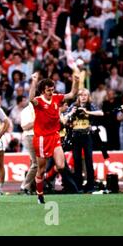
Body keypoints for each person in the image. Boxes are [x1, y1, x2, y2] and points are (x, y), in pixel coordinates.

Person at [29, 72, 79, 204]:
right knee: (41, 169)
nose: (51, 92)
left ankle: (47, 178)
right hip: (41, 139)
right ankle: (40, 193)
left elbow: (72, 94)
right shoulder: (39, 101)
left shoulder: (57, 98)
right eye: (48, 90)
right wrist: (34, 82)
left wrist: (76, 80)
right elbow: (30, 98)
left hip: (54, 135)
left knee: (61, 165)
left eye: (52, 89)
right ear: (42, 90)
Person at [64, 89, 103, 192]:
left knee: (89, 160)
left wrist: (87, 111)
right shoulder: (74, 105)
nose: (83, 97)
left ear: (88, 96)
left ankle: (90, 186)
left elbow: (101, 113)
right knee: (77, 161)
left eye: (85, 95)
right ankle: (78, 186)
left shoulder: (90, 105)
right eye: (81, 95)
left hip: (87, 135)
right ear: (78, 97)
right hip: (76, 135)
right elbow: (64, 118)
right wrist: (71, 113)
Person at [19, 102, 36, 194]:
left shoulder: (42, 108)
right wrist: (37, 120)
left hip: (41, 136)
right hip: (30, 136)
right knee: (36, 163)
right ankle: (24, 185)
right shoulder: (26, 111)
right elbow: (24, 127)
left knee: (37, 163)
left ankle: (31, 187)